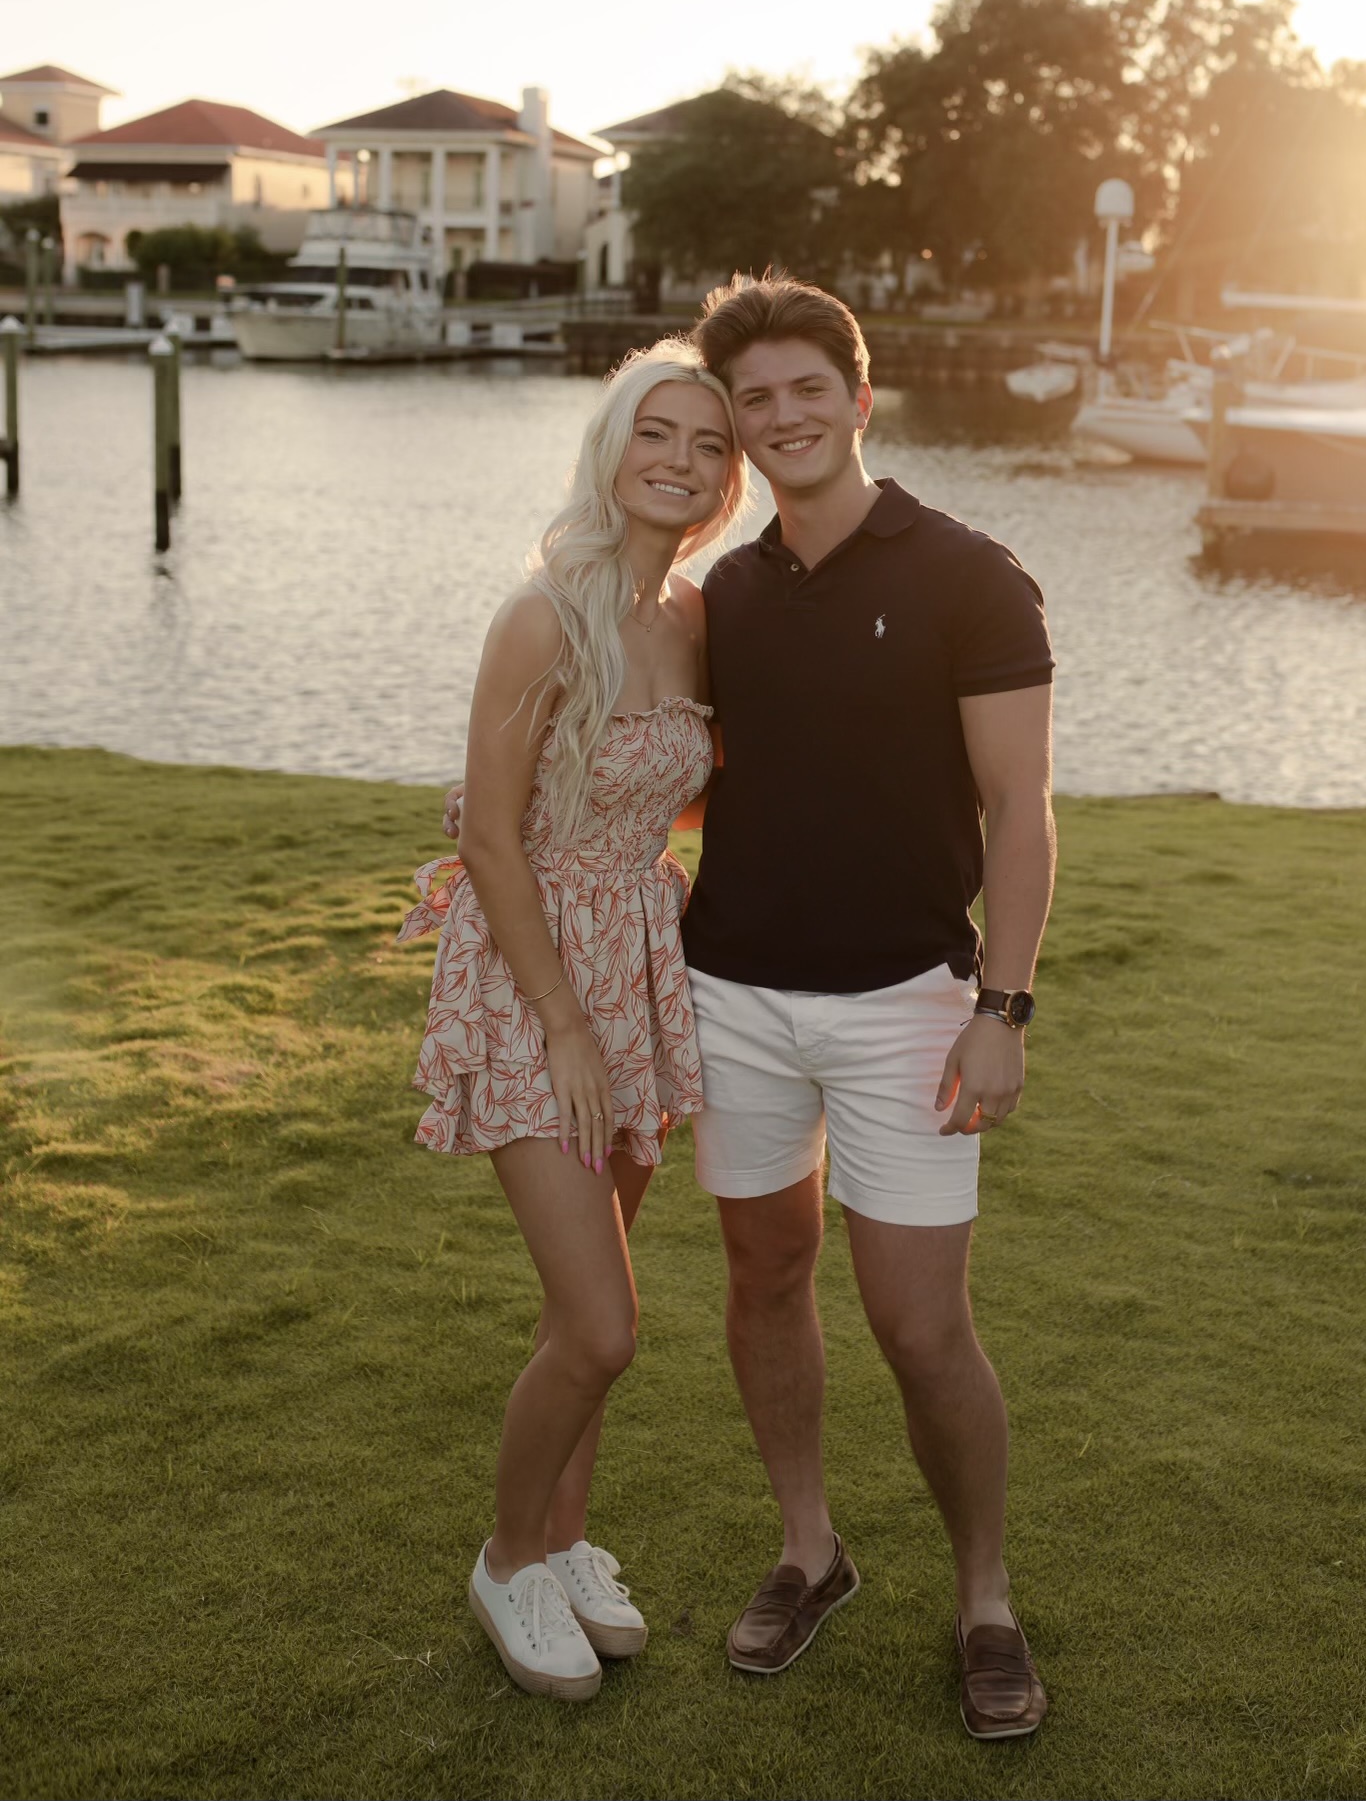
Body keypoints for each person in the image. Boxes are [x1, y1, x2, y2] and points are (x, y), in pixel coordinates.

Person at [682, 273, 1056, 1741]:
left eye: (803, 389)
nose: (781, 418)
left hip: (912, 1001)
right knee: (763, 1275)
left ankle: (984, 1597)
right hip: (734, 1000)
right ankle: (809, 1549)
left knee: (919, 1324)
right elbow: (659, 754)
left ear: (860, 393)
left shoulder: (973, 573)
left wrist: (1002, 1006)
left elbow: (1020, 810)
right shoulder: (723, 592)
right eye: (753, 401)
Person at [400, 340, 745, 1702]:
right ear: (611, 446)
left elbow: (679, 786)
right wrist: (563, 1023)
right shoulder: (542, 612)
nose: (681, 458)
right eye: (655, 431)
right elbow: (491, 838)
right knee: (603, 1324)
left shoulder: (697, 616)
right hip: (533, 977)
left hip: (639, 958)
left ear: (728, 477)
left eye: (707, 444)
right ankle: (503, 1558)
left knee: (576, 1300)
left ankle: (564, 1542)